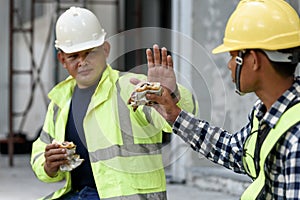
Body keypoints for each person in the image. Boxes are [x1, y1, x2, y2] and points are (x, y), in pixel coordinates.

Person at [30, 6, 197, 200]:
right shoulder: (60, 101)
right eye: (74, 56)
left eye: (90, 52)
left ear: (106, 50)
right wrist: (48, 166)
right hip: (78, 195)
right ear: (62, 60)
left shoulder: (130, 87)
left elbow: (179, 117)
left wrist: (172, 96)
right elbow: (40, 151)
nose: (82, 62)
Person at [146, 0, 300, 199]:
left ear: (253, 60)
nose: (228, 65)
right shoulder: (266, 113)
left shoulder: (296, 137)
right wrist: (174, 114)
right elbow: (234, 151)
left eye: (233, 55)